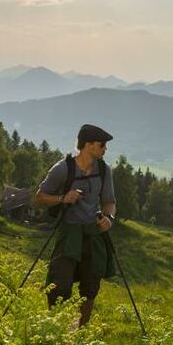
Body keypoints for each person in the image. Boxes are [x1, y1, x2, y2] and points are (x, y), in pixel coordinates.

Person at [32, 124, 117, 328]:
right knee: (58, 285)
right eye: (102, 145)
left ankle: (82, 331)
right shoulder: (63, 169)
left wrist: (109, 217)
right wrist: (63, 198)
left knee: (91, 286)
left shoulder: (104, 171)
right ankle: (53, 329)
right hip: (69, 233)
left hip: (92, 233)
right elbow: (40, 197)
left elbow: (109, 202)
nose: (105, 149)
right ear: (88, 145)